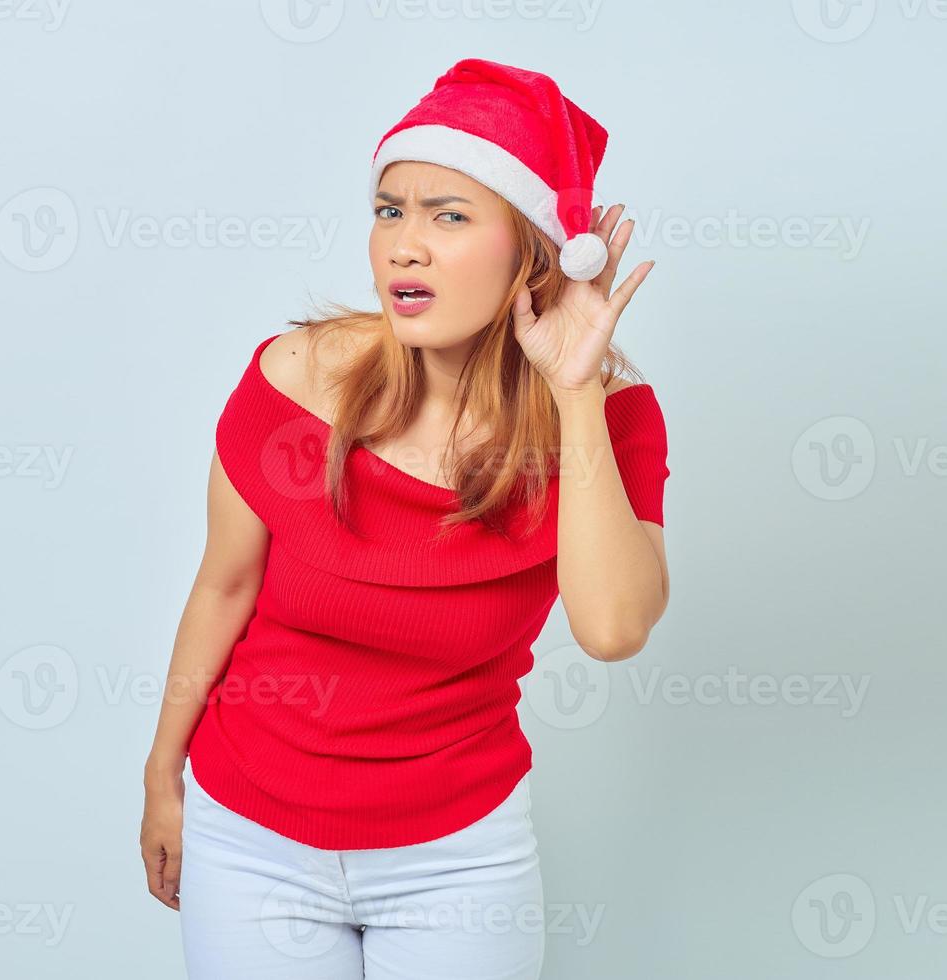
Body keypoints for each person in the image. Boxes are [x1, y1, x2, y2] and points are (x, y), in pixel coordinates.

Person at [138, 57, 671, 979]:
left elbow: (615, 628)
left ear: (533, 253)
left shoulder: (609, 418)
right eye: (391, 210)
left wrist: (574, 392)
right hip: (251, 837)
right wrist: (161, 777)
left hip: (456, 859)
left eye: (450, 216)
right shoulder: (294, 380)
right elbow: (222, 586)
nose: (403, 247)